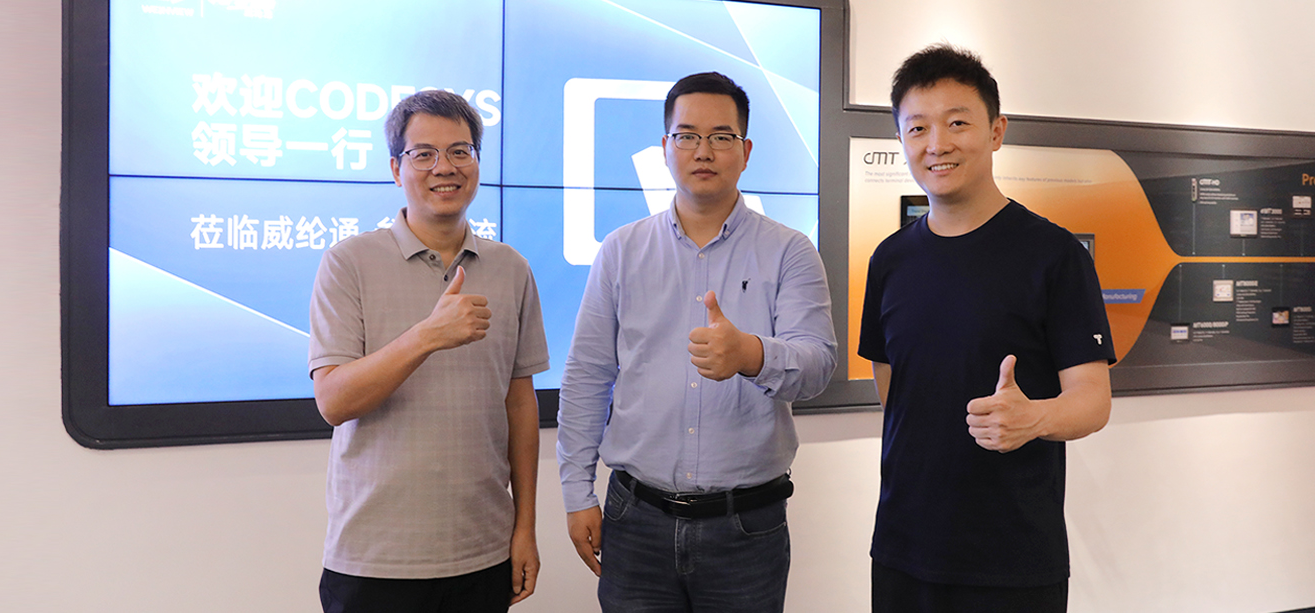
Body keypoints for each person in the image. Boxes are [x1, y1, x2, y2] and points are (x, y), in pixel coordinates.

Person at [557, 71, 837, 612]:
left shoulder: (790, 251)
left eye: (721, 137)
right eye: (687, 136)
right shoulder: (621, 251)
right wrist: (576, 493)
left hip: (745, 527)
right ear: (665, 147)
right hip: (635, 519)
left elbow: (818, 363)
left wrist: (751, 354)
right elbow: (588, 376)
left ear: (745, 151)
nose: (703, 151)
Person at [857, 44, 1116, 612]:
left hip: (1012, 556)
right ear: (901, 139)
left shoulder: (1054, 255)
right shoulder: (890, 260)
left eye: (957, 123)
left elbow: (1093, 401)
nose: (936, 144)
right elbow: (892, 386)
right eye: (917, 128)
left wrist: (1034, 418)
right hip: (903, 546)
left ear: (996, 131)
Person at [308, 89, 548, 613]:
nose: (445, 167)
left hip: (483, 552)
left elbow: (520, 404)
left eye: (461, 151)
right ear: (397, 168)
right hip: (375, 561)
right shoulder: (348, 263)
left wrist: (525, 527)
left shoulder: (511, 268)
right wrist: (427, 336)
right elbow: (334, 401)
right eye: (424, 154)